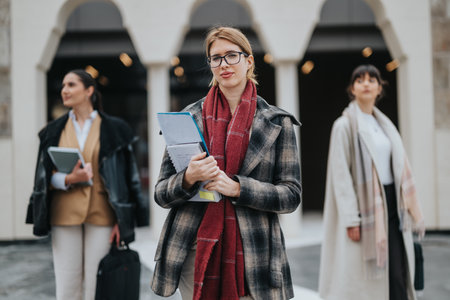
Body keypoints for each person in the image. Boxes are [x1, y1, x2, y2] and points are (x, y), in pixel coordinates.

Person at [151, 26, 302, 300]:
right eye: (216, 57)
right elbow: (161, 193)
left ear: (249, 60)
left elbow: (291, 196)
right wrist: (188, 178)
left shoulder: (278, 123)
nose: (224, 64)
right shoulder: (188, 118)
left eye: (232, 55)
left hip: (254, 252)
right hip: (194, 250)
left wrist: (238, 188)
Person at [26, 69, 149, 300]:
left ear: (89, 90)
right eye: (63, 85)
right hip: (64, 214)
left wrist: (122, 221)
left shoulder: (116, 129)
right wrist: (70, 179)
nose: (65, 90)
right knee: (67, 286)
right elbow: (42, 178)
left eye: (71, 85)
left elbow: (128, 178)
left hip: (103, 215)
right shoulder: (53, 131)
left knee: (99, 285)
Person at [318, 64, 425, 300]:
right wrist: (351, 217)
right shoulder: (344, 125)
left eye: (372, 80)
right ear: (352, 89)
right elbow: (340, 175)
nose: (366, 84)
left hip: (392, 204)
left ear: (379, 88)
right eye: (360, 80)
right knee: (367, 280)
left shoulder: (385, 125)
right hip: (365, 208)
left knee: (398, 271)